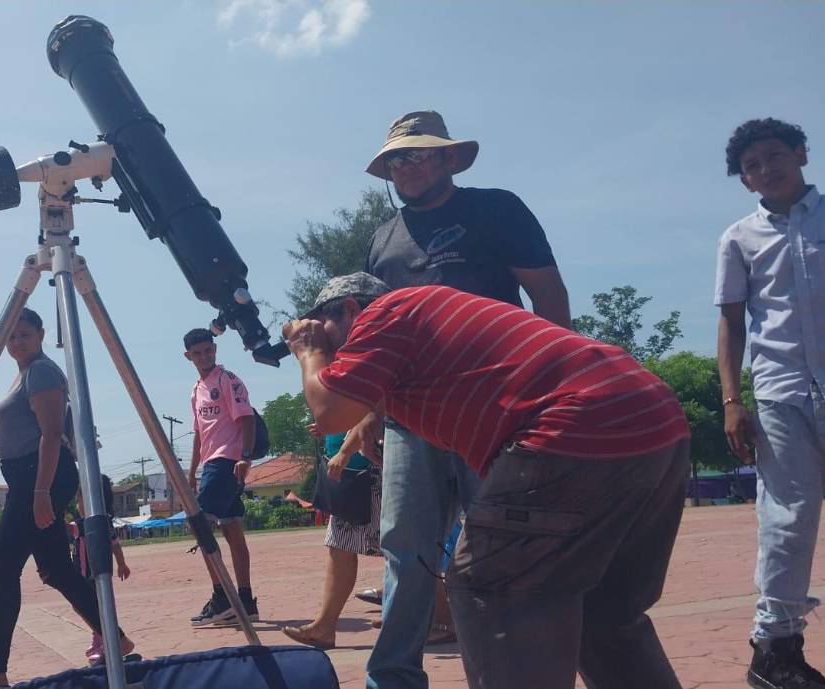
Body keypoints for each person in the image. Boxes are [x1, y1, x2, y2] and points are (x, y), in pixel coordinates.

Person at [285, 273, 690, 689]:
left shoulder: (384, 314)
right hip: (656, 422)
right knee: (605, 615)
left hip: (574, 427)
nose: (331, 349)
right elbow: (368, 402)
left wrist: (310, 351)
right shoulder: (423, 322)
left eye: (326, 329)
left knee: (490, 588)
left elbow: (329, 411)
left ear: (351, 308)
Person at [360, 110, 572, 689]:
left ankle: (511, 674)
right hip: (411, 414)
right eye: (396, 159)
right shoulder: (382, 239)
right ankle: (394, 678)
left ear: (449, 158)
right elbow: (379, 334)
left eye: (418, 153)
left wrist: (554, 386)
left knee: (501, 545)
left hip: (494, 408)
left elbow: (548, 295)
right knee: (404, 547)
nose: (405, 167)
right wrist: (370, 414)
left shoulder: (496, 208)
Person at [714, 118, 825, 689]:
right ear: (745, 182)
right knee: (786, 522)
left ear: (801, 155)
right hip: (781, 393)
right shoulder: (738, 238)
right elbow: (732, 321)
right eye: (752, 166)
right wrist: (731, 400)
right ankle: (776, 653)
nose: (766, 168)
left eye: (774, 155)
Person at [0, 307, 132, 689]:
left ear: (40, 334)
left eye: (24, 334)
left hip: (40, 476)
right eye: (11, 336)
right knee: (57, 570)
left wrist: (39, 493)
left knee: (2, 567)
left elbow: (51, 435)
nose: (16, 342)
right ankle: (115, 638)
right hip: (32, 477)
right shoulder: (26, 374)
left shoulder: (42, 372)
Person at [281, 423, 382, 649]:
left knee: (402, 547)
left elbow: (371, 410)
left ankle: (438, 617)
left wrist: (345, 452)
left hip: (366, 469)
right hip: (353, 471)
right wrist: (331, 423)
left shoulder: (357, 386)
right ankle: (325, 626)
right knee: (341, 546)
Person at [183, 327, 259, 627]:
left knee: (201, 526)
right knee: (231, 530)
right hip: (209, 464)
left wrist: (246, 458)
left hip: (227, 461)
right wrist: (191, 474)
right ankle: (245, 600)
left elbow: (248, 418)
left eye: (208, 350)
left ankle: (222, 597)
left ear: (215, 349)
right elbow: (199, 435)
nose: (204, 356)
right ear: (188, 356)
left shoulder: (228, 380)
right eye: (197, 353)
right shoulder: (196, 390)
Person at [68, 474, 132, 665]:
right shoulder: (104, 521)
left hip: (88, 575)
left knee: (87, 607)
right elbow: (115, 545)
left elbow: (67, 530)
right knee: (96, 607)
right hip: (96, 573)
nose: (77, 504)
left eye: (78, 499)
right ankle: (100, 636)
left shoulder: (82, 523)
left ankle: (104, 637)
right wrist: (121, 563)